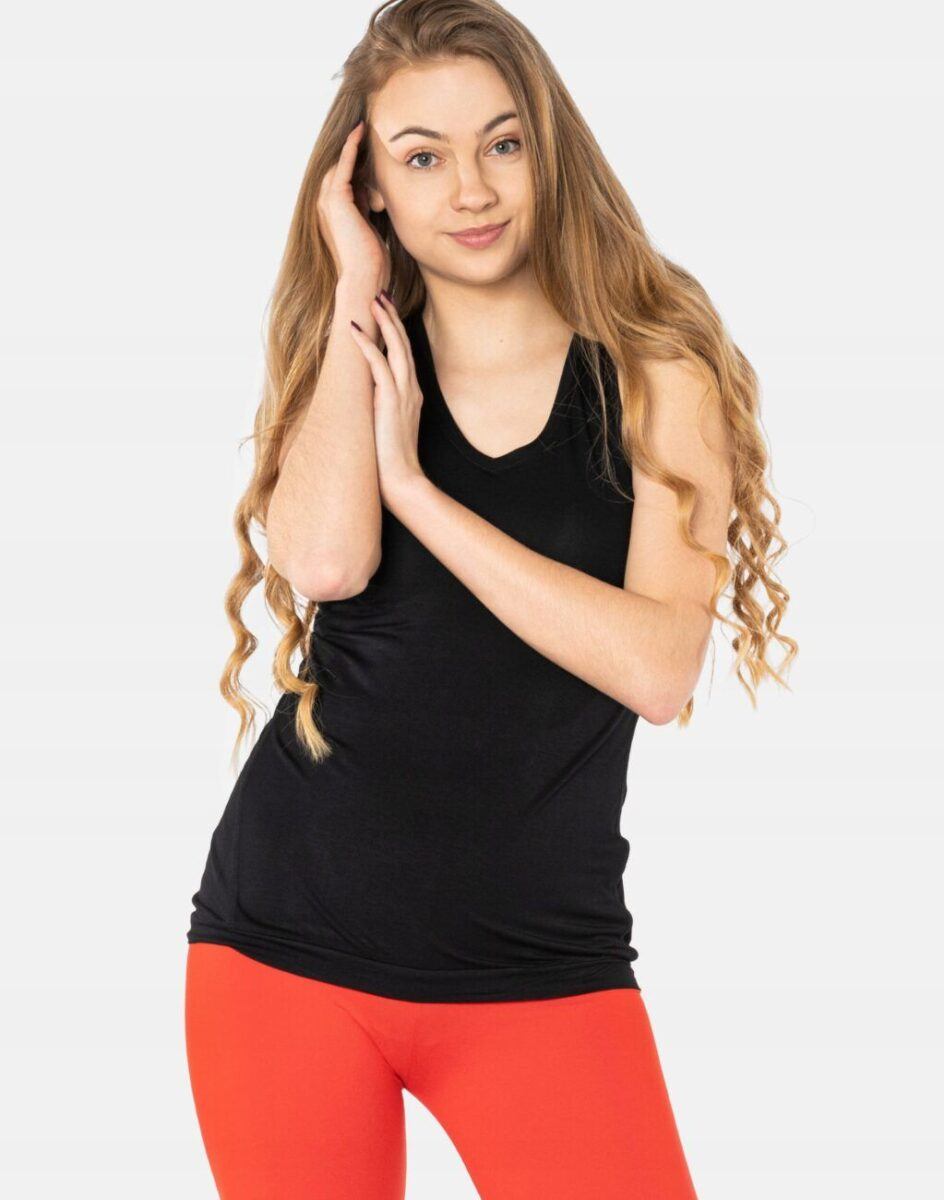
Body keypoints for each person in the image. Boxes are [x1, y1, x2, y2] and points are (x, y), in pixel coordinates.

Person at [184, 1, 796, 1196]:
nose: (470, 190)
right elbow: (323, 565)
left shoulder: (653, 368)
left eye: (501, 144)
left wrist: (418, 491)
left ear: (545, 148)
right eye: (421, 158)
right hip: (285, 947)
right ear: (368, 186)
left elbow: (656, 668)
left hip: (541, 963)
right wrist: (355, 289)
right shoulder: (359, 350)